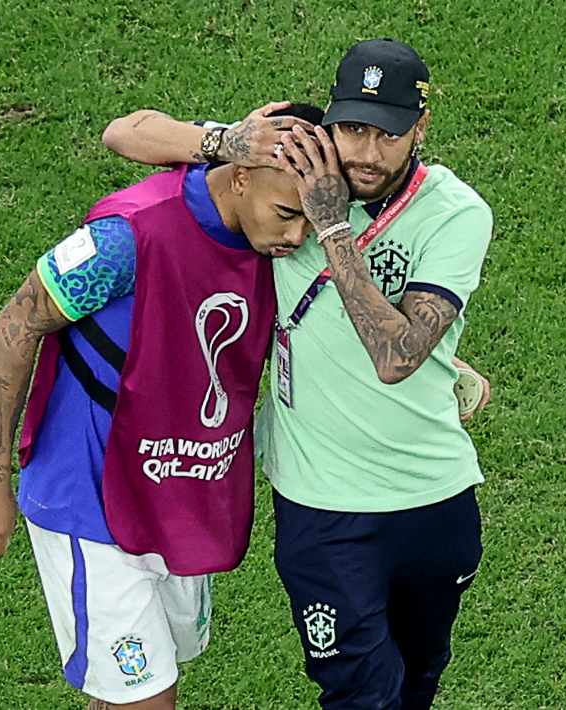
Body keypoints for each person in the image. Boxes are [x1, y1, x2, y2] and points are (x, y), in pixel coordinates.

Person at [102, 38, 493, 710]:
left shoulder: (454, 214)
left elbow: (395, 357)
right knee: (358, 696)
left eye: (388, 134)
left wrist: (331, 223)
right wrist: (227, 141)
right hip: (324, 511)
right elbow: (123, 133)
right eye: (351, 129)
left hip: (435, 500)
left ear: (420, 130)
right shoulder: (286, 169)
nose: (365, 153)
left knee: (414, 687)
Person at [0, 104, 323, 710]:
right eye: (286, 215)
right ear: (239, 175)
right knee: (148, 697)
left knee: (130, 689)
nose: (296, 238)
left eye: (310, 223)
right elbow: (16, 325)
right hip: (91, 495)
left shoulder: (276, 242)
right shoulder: (128, 238)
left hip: (180, 493)